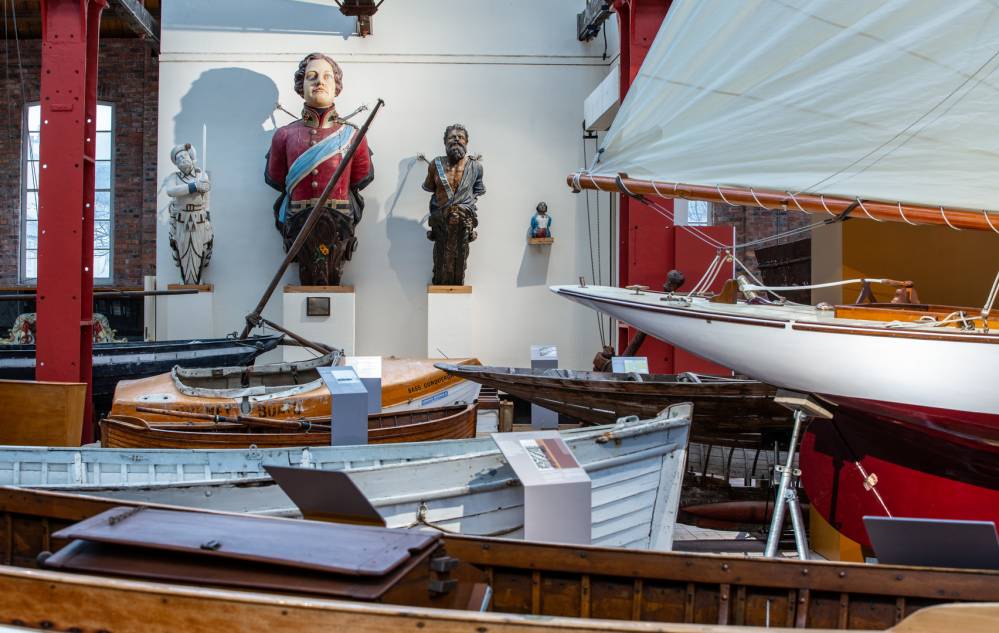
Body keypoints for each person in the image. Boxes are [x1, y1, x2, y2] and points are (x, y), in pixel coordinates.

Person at [265, 52, 373, 285]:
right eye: (311, 77)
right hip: (298, 219)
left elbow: (361, 177)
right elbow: (276, 178)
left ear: (337, 86)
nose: (319, 82)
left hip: (339, 220)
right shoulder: (284, 136)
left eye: (327, 77)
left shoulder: (353, 136)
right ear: (300, 85)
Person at [423, 124, 485, 285]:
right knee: (440, 256)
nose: (456, 140)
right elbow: (430, 188)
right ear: (445, 142)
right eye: (452, 137)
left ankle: (457, 281)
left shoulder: (476, 166)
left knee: (461, 256)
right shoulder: (435, 165)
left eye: (461, 137)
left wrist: (466, 208)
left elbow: (477, 191)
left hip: (464, 220)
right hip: (440, 219)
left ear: (467, 142)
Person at [165, 143, 213, 285]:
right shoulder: (174, 177)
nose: (182, 160)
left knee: (200, 248)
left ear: (191, 157)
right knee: (182, 249)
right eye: (178, 159)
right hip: (182, 219)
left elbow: (206, 197)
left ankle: (197, 279)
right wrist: (193, 186)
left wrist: (207, 213)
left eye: (184, 157)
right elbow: (171, 191)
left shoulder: (201, 175)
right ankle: (185, 280)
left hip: (198, 218)